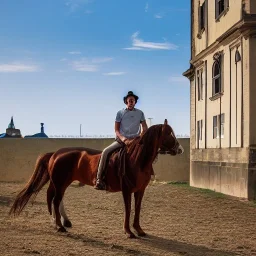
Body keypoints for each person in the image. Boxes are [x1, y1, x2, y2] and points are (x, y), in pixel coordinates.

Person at [94, 91, 148, 190]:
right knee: (105, 152)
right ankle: (99, 179)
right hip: (121, 140)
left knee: (148, 152)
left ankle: (147, 176)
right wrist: (124, 139)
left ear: (135, 102)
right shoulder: (120, 113)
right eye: (129, 100)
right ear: (126, 102)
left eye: (133, 100)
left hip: (135, 141)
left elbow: (144, 128)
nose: (131, 101)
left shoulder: (140, 113)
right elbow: (116, 130)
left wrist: (140, 137)